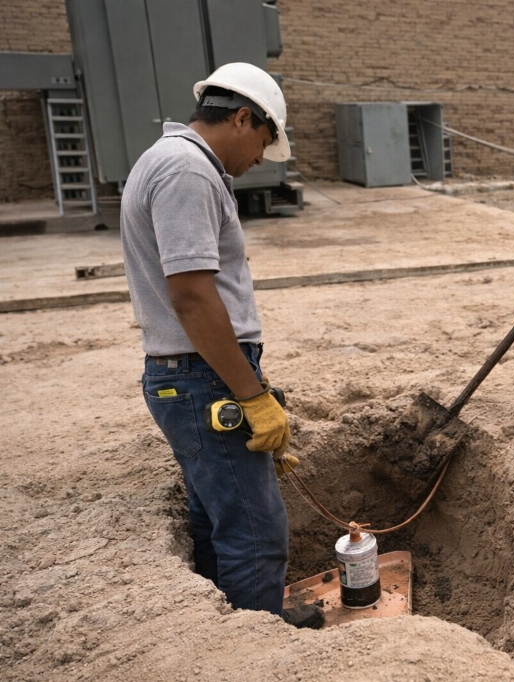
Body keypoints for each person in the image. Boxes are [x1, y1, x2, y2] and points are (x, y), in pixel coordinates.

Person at [120, 63, 321, 628]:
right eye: (263, 142)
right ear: (242, 118)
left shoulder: (171, 161)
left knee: (216, 517)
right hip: (202, 378)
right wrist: (249, 394)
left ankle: (232, 628)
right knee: (256, 530)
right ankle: (258, 644)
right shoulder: (188, 171)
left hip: (196, 374)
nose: (260, 159)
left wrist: (248, 379)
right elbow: (191, 297)